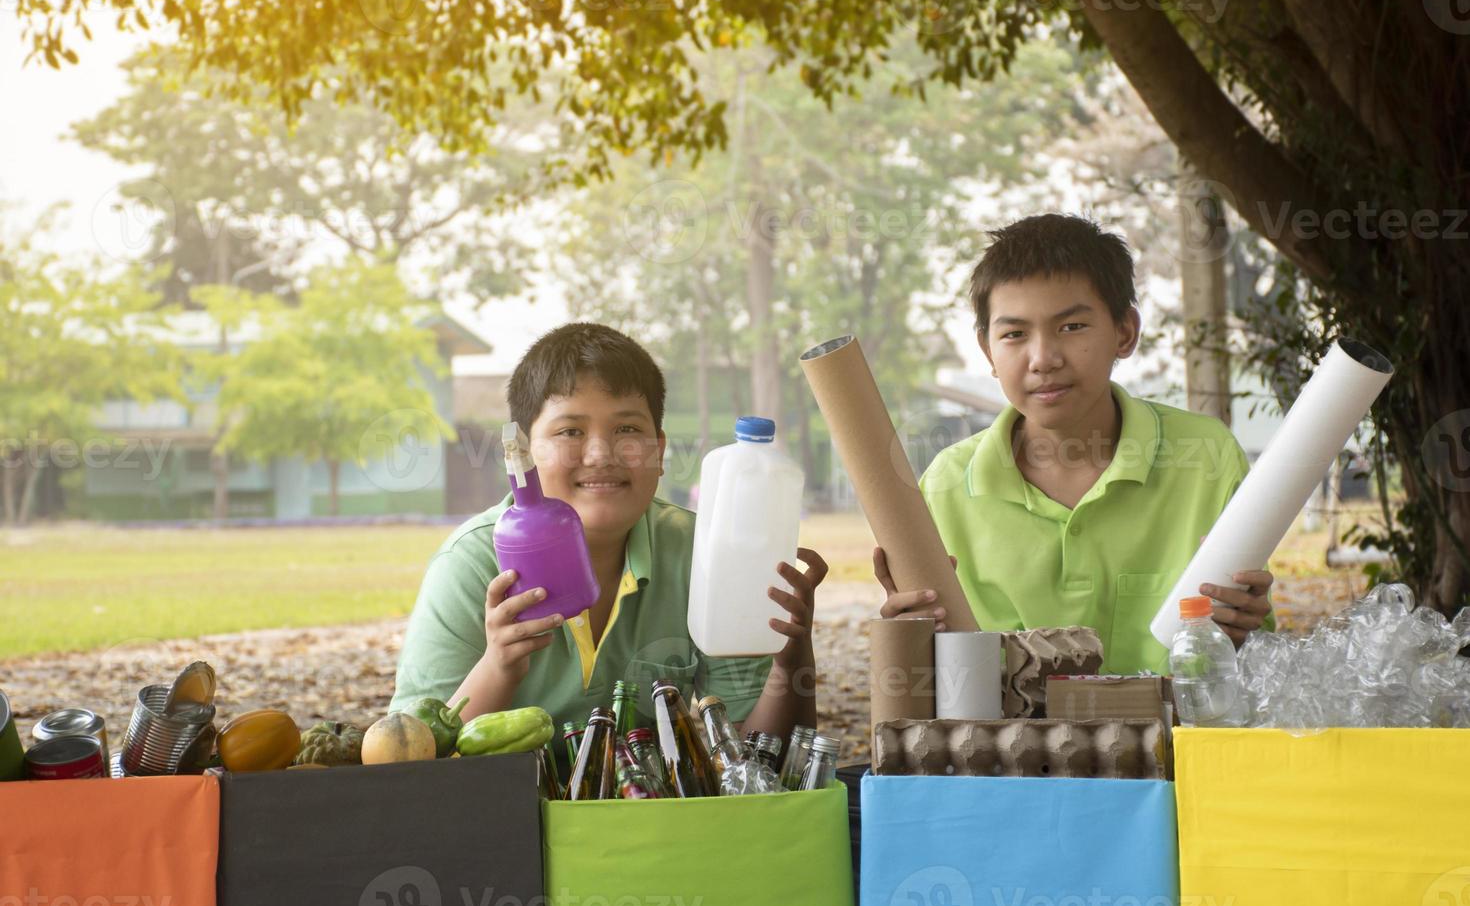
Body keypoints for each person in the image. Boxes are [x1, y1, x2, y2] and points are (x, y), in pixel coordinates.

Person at [390, 322, 824, 756]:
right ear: (523, 453)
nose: (601, 454)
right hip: (503, 816)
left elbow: (758, 759)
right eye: (570, 432)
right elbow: (412, 763)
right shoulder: (469, 567)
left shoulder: (701, 555)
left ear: (659, 450)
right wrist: (498, 666)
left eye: (628, 430)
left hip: (644, 813)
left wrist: (791, 656)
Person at [876, 214, 1272, 673]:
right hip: (1000, 745)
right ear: (988, 351)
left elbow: (1255, 659)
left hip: (1177, 740)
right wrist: (907, 632)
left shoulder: (1207, 457)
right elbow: (936, 673)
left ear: (1125, 332)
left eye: (1071, 327)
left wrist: (1243, 628)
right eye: (1014, 335)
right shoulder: (946, 485)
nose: (1043, 359)